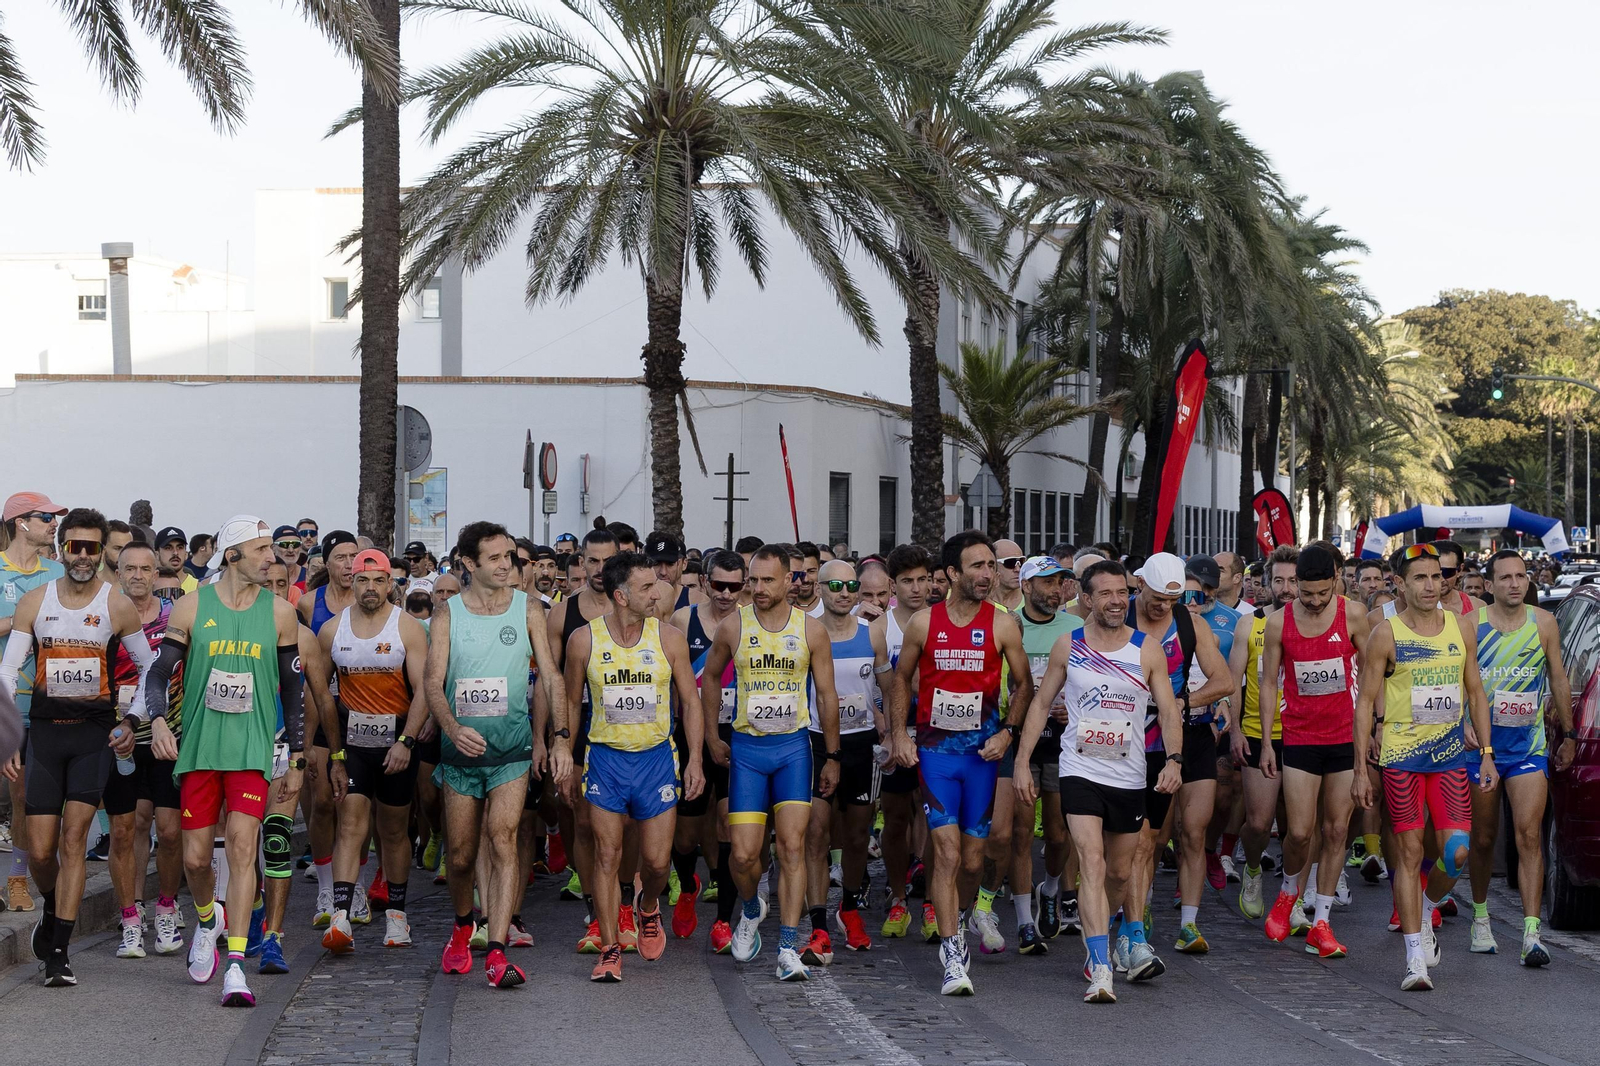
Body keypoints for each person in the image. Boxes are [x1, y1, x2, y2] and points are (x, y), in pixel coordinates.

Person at [134, 516, 307, 1007]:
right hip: (201, 751)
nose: (271, 559)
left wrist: (295, 752)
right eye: (261, 551)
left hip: (250, 751)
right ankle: (207, 921)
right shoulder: (192, 606)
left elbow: (294, 687)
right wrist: (160, 720)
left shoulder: (279, 614)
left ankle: (235, 966)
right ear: (232, 555)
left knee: (241, 847)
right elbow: (160, 672)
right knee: (194, 859)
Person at [1014, 559, 1183, 1003]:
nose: (1115, 601)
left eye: (1121, 593)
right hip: (1080, 768)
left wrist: (1174, 761)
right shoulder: (1067, 646)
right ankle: (1101, 965)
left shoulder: (1146, 649)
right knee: (1089, 860)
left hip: (1128, 774)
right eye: (1105, 593)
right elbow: (1039, 704)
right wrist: (1022, 761)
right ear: (1086, 598)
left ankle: (1103, 932)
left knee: (1120, 871)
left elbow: (1168, 711)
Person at [0, 508, 151, 986]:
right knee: (42, 853)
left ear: (100, 549)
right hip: (44, 736)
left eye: (92, 546)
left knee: (73, 842)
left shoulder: (117, 605)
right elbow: (6, 672)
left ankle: (58, 954)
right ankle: (52, 915)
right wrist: (8, 738)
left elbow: (151, 668)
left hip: (93, 738)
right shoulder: (36, 602)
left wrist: (132, 719)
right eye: (75, 546)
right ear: (60, 548)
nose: (83, 555)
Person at [887, 531, 1032, 996]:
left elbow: (1025, 685)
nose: (987, 574)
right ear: (951, 574)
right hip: (935, 755)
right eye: (977, 566)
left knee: (973, 859)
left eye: (991, 565)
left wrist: (1007, 732)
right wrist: (898, 735)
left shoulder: (1003, 624)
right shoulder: (924, 624)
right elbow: (901, 679)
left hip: (982, 758)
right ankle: (951, 953)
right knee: (946, 853)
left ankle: (963, 919)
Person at [426, 521, 564, 989]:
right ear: (469, 564)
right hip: (460, 752)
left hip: (511, 749)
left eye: (511, 557)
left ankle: (498, 949)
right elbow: (432, 681)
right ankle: (465, 923)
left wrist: (560, 737)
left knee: (503, 838)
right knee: (462, 857)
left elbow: (551, 676)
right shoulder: (447, 614)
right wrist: (452, 727)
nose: (508, 566)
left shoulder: (528, 609)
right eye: (497, 559)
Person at [1354, 542, 1497, 992]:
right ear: (1401, 583)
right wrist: (1361, 767)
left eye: (1437, 576)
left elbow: (1475, 692)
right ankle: (1415, 957)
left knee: (1456, 852)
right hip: (1401, 759)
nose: (1431, 585)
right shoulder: (1387, 634)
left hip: (1451, 756)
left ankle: (1429, 910)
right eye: (1420, 577)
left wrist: (1487, 753)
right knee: (1410, 855)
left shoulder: (1460, 627)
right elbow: (1363, 703)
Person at [700, 544, 840, 982]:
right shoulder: (732, 627)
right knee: (742, 855)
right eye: (753, 580)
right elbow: (709, 677)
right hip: (747, 750)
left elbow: (827, 696)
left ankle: (787, 946)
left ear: (788, 581)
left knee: (792, 847)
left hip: (794, 749)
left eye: (767, 580)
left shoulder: (811, 631)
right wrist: (710, 736)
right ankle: (750, 906)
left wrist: (831, 755)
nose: (757, 588)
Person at [563, 552, 703, 982]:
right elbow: (569, 701)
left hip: (656, 759)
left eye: (656, 585)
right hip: (605, 759)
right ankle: (609, 948)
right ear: (620, 596)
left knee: (658, 863)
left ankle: (647, 909)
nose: (657, 593)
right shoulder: (584, 640)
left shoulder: (670, 639)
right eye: (646, 587)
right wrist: (564, 755)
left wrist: (695, 758)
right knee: (608, 855)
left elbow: (691, 702)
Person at [312, 550, 431, 954]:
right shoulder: (331, 630)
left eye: (379, 580)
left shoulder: (409, 629)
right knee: (350, 823)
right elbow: (321, 696)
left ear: (389, 584)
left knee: (394, 830)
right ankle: (341, 915)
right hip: (354, 740)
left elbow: (423, 693)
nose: (370, 588)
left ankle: (397, 917)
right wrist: (331, 751)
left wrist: (407, 741)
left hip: (397, 738)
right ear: (352, 582)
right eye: (363, 581)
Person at [1257, 544, 1369, 958]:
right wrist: (1268, 742)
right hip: (1301, 736)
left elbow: (1372, 672)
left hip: (1343, 736)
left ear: (1336, 581)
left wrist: (1370, 729)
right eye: (1308, 593)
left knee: (1336, 829)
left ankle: (1321, 920)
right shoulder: (1277, 623)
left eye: (1323, 593)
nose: (1316, 601)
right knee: (1300, 832)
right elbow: (1269, 683)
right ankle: (1288, 891)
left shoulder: (1353, 614)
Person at [1122, 553, 1231, 971]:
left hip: (1192, 734)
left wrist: (1182, 701)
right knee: (1151, 838)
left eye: (1171, 600)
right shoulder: (1122, 616)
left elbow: (1222, 681)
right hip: (1141, 738)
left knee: (1194, 831)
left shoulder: (1190, 623)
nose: (1162, 607)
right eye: (1155, 598)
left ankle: (1189, 924)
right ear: (1139, 585)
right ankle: (1140, 911)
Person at [1466, 549, 1571, 965]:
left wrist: (1570, 733)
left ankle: (1531, 934)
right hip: (1481, 751)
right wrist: (1464, 721)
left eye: (1521, 576)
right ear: (1489, 585)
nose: (1515, 583)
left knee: (1528, 835)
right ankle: (1480, 916)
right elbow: (1457, 679)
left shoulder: (1543, 623)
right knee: (1485, 837)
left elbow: (1559, 677)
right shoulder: (1469, 626)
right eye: (1505, 577)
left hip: (1527, 746)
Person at [802, 559, 888, 964]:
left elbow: (889, 686)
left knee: (856, 837)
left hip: (862, 744)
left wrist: (894, 733)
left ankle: (848, 908)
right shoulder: (806, 633)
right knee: (816, 835)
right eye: (835, 584)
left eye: (852, 585)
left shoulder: (872, 635)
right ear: (819, 588)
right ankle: (818, 924)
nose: (845, 592)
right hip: (815, 742)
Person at [103, 542, 186, 959]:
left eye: (145, 569)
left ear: (157, 574)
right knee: (131, 824)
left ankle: (167, 907)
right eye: (129, 568)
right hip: (122, 737)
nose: (137, 575)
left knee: (170, 831)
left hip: (168, 734)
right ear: (117, 572)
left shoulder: (176, 618)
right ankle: (132, 915)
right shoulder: (105, 615)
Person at [670, 549, 745, 951]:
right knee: (685, 838)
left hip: (738, 737)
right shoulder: (683, 620)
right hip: (690, 736)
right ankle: (687, 885)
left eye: (735, 586)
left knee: (728, 826)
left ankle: (722, 921)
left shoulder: (749, 624)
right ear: (704, 582)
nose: (726, 594)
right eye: (719, 585)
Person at [547, 528, 619, 937]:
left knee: (624, 822)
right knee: (585, 821)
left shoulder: (642, 609)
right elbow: (551, 683)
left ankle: (626, 900)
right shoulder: (563, 613)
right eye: (591, 561)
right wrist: (554, 739)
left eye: (608, 561)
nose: (599, 569)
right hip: (579, 726)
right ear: (580, 562)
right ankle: (595, 910)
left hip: (630, 730)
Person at [0, 492, 68, 911]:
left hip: (44, 703)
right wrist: (20, 619)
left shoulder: (57, 571)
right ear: (21, 522)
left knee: (25, 796)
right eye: (46, 517)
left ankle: (18, 881)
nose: (53, 524)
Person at [1012, 556, 1083, 951]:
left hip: (1062, 739)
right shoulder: (1009, 625)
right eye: (1047, 582)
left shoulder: (1075, 627)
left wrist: (1069, 705)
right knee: (1020, 832)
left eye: (1061, 582)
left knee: (1058, 834)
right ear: (1026, 586)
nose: (1056, 589)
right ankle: (1024, 922)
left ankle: (1051, 887)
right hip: (1021, 739)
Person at [1228, 546, 1293, 923]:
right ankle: (1252, 867)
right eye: (1279, 580)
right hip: (1256, 732)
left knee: (1298, 828)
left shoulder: (1315, 625)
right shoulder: (1249, 624)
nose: (1286, 588)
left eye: (1293, 580)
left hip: (1303, 735)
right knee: (1258, 822)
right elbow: (1232, 682)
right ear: (1267, 583)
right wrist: (1236, 731)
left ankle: (1292, 893)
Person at [873, 543, 933, 939]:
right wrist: (889, 731)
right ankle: (898, 900)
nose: (916, 588)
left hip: (935, 732)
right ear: (893, 585)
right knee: (895, 819)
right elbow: (872, 684)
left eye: (923, 580)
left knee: (932, 816)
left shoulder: (943, 622)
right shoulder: (880, 628)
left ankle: (929, 901)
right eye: (907, 581)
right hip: (895, 733)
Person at [989, 539, 1024, 613]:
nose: (1018, 569)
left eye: (1021, 561)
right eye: (1010, 563)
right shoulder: (978, 602)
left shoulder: (1032, 602)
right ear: (993, 566)